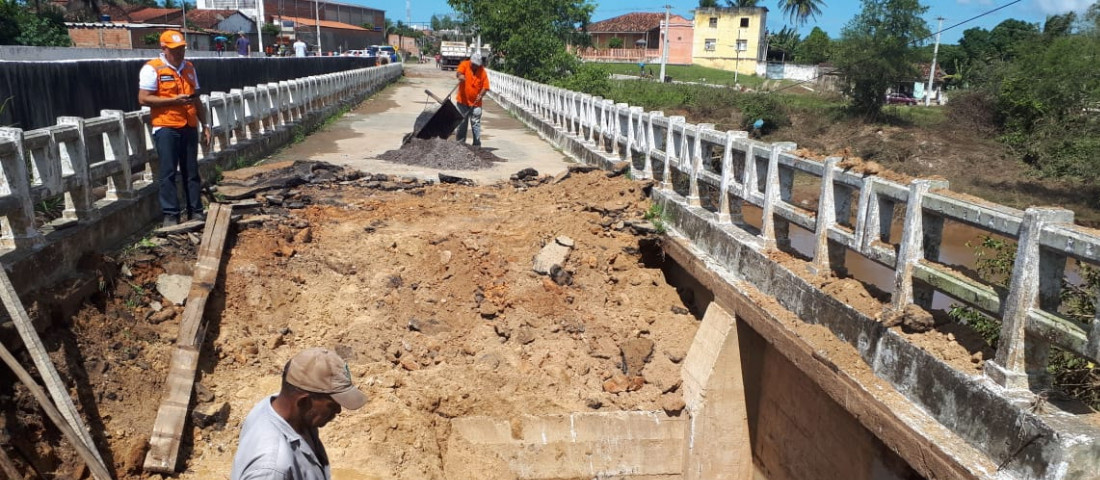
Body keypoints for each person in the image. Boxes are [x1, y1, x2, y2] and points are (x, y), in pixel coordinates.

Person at [231, 347, 368, 480]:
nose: (338, 410)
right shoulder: (272, 468)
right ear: (304, 402)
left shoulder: (286, 412)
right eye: (332, 405)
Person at [137, 30, 212, 227]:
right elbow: (143, 98)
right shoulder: (153, 69)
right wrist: (173, 101)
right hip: (166, 126)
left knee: (191, 170)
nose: (179, 53)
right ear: (164, 48)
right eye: (175, 49)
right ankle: (171, 215)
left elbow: (196, 99)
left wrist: (205, 124)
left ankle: (195, 211)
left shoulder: (189, 67)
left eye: (181, 49)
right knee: (168, 172)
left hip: (189, 125)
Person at [454, 53, 490, 147]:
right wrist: (460, 76)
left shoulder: (482, 71)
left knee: (476, 124)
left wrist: (481, 95)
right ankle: (460, 144)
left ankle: (476, 145)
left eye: (477, 65)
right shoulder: (464, 64)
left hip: (476, 103)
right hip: (462, 102)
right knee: (462, 123)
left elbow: (485, 86)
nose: (475, 66)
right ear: (470, 61)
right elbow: (459, 73)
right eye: (473, 64)